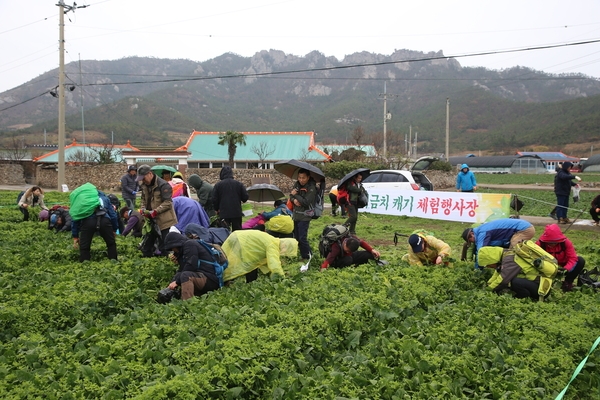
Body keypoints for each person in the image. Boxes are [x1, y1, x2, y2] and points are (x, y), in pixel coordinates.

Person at [478, 245, 556, 301]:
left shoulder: (510, 260)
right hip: (534, 284)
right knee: (510, 282)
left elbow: (503, 280)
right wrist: (489, 284)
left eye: (488, 264)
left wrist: (488, 291)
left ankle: (522, 299)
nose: (489, 267)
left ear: (491, 260)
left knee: (514, 282)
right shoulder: (506, 255)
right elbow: (498, 272)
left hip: (541, 289)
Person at [221, 229, 298, 283]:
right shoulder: (273, 245)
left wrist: (271, 273)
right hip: (242, 242)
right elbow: (274, 264)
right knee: (243, 264)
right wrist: (281, 277)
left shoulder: (273, 240)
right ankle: (225, 280)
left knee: (231, 261)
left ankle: (225, 279)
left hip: (238, 237)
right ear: (285, 246)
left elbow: (266, 262)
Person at [162, 232, 220, 300]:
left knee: (185, 276)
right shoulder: (184, 249)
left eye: (172, 248)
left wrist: (177, 282)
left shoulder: (190, 244)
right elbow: (182, 269)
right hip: (202, 277)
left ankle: (187, 304)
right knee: (183, 274)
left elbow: (191, 266)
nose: (173, 250)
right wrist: (171, 284)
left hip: (210, 279)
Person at [137, 164, 178, 257]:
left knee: (164, 244)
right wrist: (143, 208)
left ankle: (165, 263)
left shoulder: (163, 185)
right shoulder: (144, 185)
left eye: (143, 178)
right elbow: (143, 199)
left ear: (150, 174)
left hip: (164, 220)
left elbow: (168, 203)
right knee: (147, 244)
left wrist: (155, 211)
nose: (142, 181)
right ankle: (147, 261)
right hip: (151, 219)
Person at [462, 218, 535, 269]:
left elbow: (481, 252)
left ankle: (515, 273)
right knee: (508, 254)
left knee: (512, 254)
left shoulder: (482, 232)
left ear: (472, 234)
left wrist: (477, 269)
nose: (472, 242)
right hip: (520, 229)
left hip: (524, 229)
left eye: (470, 240)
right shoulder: (481, 230)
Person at [71, 190, 119, 262]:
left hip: (88, 221)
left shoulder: (82, 200)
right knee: (111, 243)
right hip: (104, 220)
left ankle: (85, 263)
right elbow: (113, 215)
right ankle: (113, 261)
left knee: (84, 246)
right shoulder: (105, 198)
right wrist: (114, 229)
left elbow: (75, 218)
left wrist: (75, 235)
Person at [536, 224, 585, 292]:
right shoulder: (539, 244)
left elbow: (572, 258)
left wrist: (565, 269)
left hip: (563, 263)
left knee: (580, 261)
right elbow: (535, 258)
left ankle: (567, 283)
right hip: (547, 264)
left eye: (555, 242)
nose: (552, 244)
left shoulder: (565, 242)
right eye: (549, 242)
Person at [289, 168, 317, 268]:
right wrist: (293, 200)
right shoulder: (297, 184)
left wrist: (296, 196)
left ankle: (309, 256)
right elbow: (291, 195)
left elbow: (306, 202)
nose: (301, 180)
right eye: (300, 177)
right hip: (296, 214)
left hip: (305, 215)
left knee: (302, 238)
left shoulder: (312, 188)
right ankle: (303, 255)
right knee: (296, 237)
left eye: (303, 178)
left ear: (308, 177)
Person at [211, 166, 249, 232]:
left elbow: (214, 199)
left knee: (224, 232)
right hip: (236, 212)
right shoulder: (239, 184)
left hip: (224, 212)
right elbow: (245, 197)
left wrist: (216, 209)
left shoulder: (218, 185)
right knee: (237, 232)